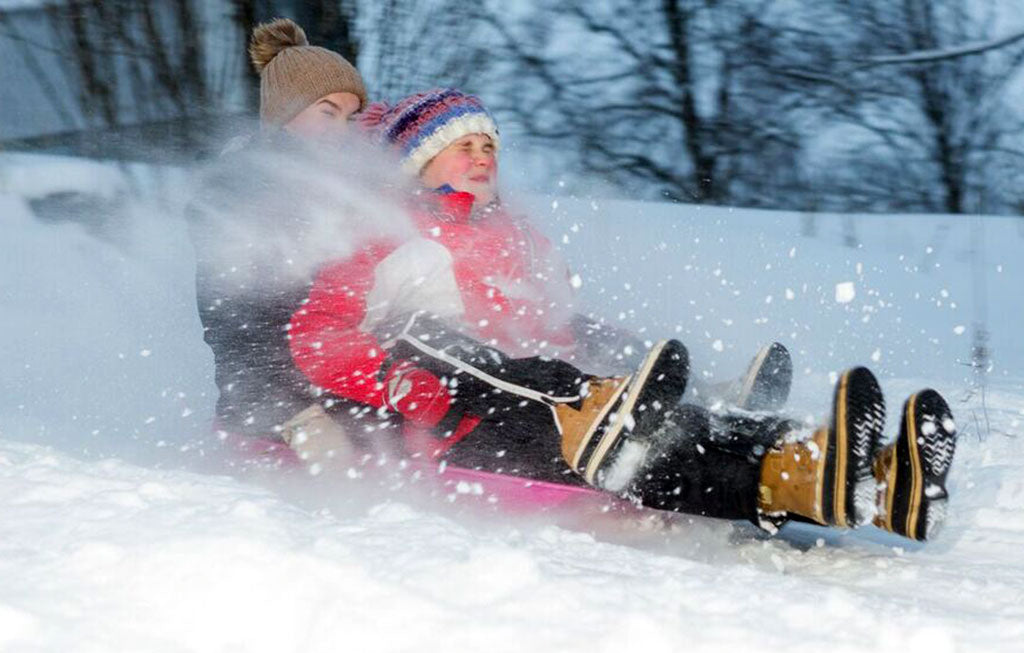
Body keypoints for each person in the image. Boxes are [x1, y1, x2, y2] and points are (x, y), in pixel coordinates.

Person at [286, 89, 956, 541]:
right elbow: (316, 337)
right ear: (418, 165)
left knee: (655, 422)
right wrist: (406, 385)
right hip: (459, 421)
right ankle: (603, 410)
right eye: (465, 146)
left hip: (556, 412)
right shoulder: (384, 236)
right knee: (430, 336)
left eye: (491, 145)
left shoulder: (513, 239)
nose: (485, 156)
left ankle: (839, 473)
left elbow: (552, 330)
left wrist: (600, 353)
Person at [187, 17, 373, 467]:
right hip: (272, 406)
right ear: (284, 113)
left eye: (349, 117)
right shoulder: (238, 192)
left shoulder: (348, 190)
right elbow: (235, 324)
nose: (341, 129)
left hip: (345, 381)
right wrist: (294, 414)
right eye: (327, 111)